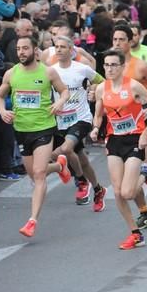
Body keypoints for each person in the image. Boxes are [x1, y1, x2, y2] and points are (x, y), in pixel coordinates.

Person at [0, 36, 71, 237]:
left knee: (38, 173)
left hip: (44, 128)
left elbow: (64, 92)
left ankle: (32, 221)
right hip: (21, 130)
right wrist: (3, 111)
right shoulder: (11, 74)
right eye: (19, 49)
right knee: (34, 173)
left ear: (35, 50)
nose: (21, 52)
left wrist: (60, 102)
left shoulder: (48, 72)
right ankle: (59, 166)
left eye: (25, 48)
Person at [90, 50, 147, 250]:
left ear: (122, 67)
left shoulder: (132, 86)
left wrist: (146, 133)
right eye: (106, 65)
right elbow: (98, 114)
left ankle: (146, 173)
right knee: (118, 193)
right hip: (113, 140)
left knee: (128, 192)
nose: (110, 68)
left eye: (114, 65)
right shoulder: (100, 89)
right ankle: (135, 234)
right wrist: (96, 128)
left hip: (134, 140)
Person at [111, 24, 147, 229]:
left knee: (135, 172)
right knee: (129, 176)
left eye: (121, 40)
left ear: (129, 42)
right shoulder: (110, 66)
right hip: (120, 126)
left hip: (142, 122)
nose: (117, 43)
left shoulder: (140, 66)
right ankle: (144, 212)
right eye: (114, 39)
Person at [49, 36, 107, 210]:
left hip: (81, 118)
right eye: (56, 47)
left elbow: (103, 82)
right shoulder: (50, 71)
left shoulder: (82, 69)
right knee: (81, 159)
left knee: (66, 150)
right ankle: (98, 189)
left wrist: (94, 89)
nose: (58, 50)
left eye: (62, 47)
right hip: (60, 120)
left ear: (71, 50)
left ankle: (81, 181)